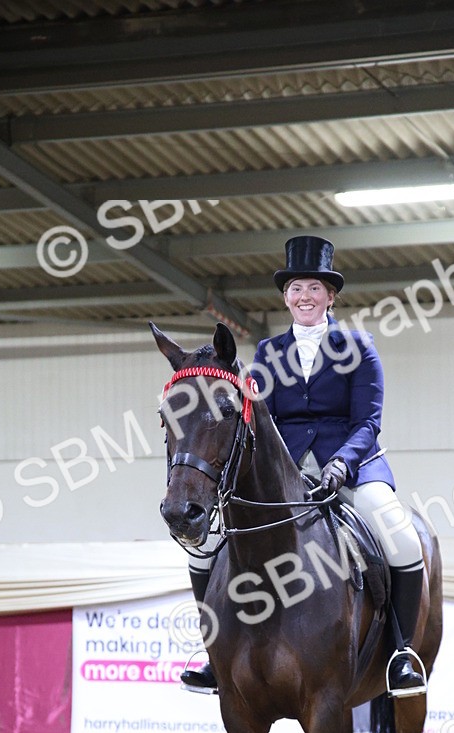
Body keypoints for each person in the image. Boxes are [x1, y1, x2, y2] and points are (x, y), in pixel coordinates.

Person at [183, 235, 426, 696]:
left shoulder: (359, 346)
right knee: (212, 538)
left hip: (352, 465)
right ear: (286, 297)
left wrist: (340, 466)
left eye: (314, 288)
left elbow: (368, 422)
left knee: (400, 535)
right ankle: (215, 652)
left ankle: (401, 653)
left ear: (330, 296)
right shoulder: (270, 354)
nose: (304, 297)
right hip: (287, 471)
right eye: (295, 288)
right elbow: (254, 414)